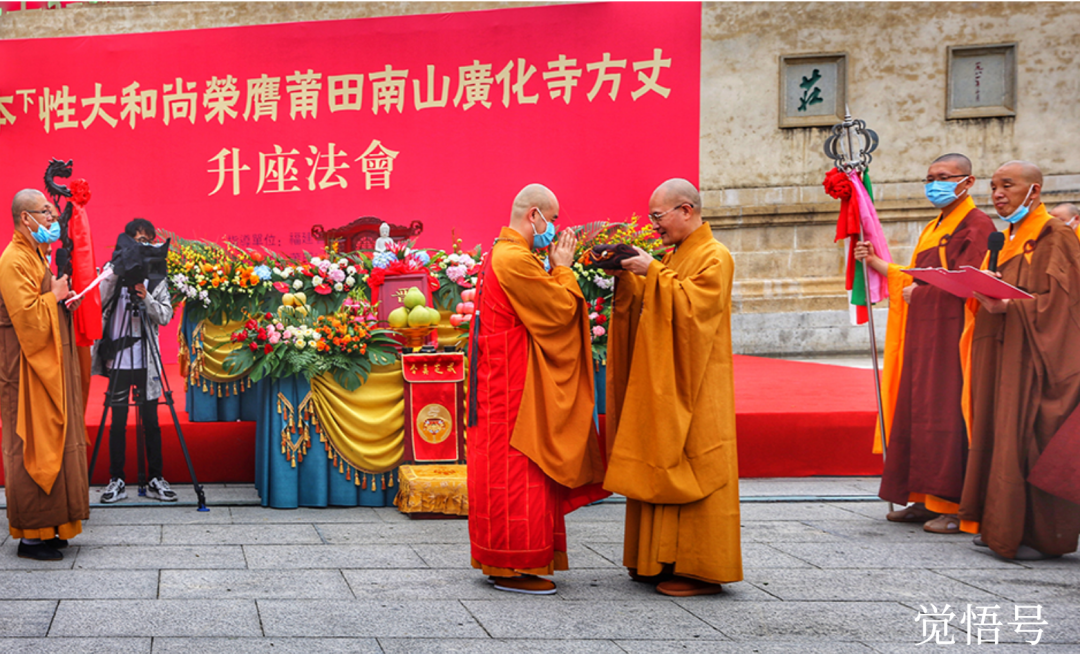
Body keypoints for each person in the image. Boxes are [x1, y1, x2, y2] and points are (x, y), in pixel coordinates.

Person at [467, 183, 607, 595]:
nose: (557, 230)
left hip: (506, 380)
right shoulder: (514, 259)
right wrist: (562, 266)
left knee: (511, 472)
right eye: (554, 219)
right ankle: (514, 565)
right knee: (518, 472)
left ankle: (506, 561)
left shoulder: (508, 254)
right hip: (513, 388)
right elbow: (561, 311)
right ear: (534, 216)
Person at [604, 178, 742, 597]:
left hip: (698, 384)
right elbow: (657, 300)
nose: (655, 226)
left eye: (658, 217)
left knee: (694, 462)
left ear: (686, 209)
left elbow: (694, 309)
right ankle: (655, 560)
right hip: (669, 380)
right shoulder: (678, 255)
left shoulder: (714, 256)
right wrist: (629, 275)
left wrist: (655, 273)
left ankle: (702, 569)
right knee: (662, 453)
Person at [854, 154, 995, 533]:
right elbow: (923, 277)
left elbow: (968, 282)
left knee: (947, 414)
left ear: (967, 181)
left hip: (953, 334)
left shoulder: (977, 224)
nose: (935, 184)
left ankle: (951, 503)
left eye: (944, 177)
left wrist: (922, 293)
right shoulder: (936, 225)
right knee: (919, 408)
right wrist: (880, 265)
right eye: (930, 177)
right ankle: (922, 497)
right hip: (927, 333)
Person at [960, 160, 1080, 560]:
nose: (997, 194)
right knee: (998, 434)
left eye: (1007, 186)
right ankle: (1000, 524)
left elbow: (1063, 305)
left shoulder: (1055, 235)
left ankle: (1039, 536)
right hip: (1003, 350)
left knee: (1029, 436)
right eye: (993, 186)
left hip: (1038, 357)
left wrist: (1012, 307)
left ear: (1034, 191)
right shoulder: (1006, 237)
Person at [0, 189, 89, 561]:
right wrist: (53, 297)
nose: (53, 221)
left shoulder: (36, 254)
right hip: (25, 371)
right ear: (26, 218)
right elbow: (27, 319)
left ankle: (55, 526)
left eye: (52, 214)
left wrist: (65, 299)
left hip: (47, 365)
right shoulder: (13, 259)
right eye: (46, 214)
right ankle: (31, 537)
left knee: (59, 437)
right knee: (32, 445)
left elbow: (46, 302)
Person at [91, 218, 176, 503]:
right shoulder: (111, 270)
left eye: (147, 240)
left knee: (150, 420)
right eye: (137, 240)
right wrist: (117, 271)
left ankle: (155, 477)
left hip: (147, 362)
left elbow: (165, 316)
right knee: (117, 420)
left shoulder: (157, 276)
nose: (143, 246)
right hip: (118, 360)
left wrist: (147, 296)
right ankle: (116, 479)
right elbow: (97, 302)